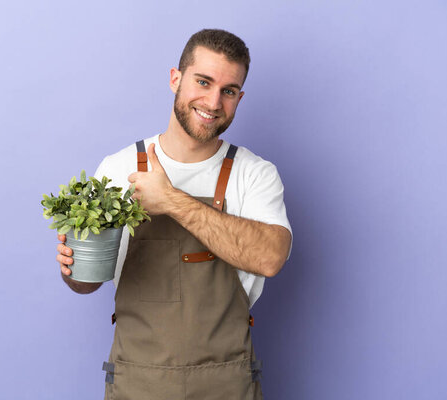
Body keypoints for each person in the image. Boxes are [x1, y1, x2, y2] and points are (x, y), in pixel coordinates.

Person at [56, 29, 292, 399]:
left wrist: (170, 200)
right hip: (138, 384)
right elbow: (86, 283)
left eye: (228, 91)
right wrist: (75, 269)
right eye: (203, 81)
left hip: (226, 385)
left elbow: (271, 257)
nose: (213, 102)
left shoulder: (254, 173)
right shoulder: (118, 169)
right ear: (175, 79)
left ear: (239, 98)